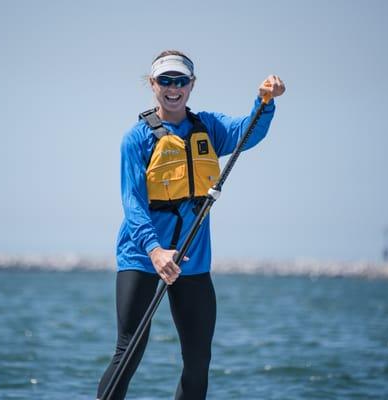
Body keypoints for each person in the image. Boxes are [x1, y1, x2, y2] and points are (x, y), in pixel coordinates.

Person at [96, 50, 285, 400]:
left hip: (192, 262)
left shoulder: (209, 128)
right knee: (129, 350)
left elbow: (249, 132)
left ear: (191, 85)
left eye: (180, 80)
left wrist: (265, 101)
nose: (173, 88)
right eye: (165, 80)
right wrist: (154, 251)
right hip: (142, 257)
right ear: (152, 84)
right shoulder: (135, 139)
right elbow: (133, 203)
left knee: (198, 360)